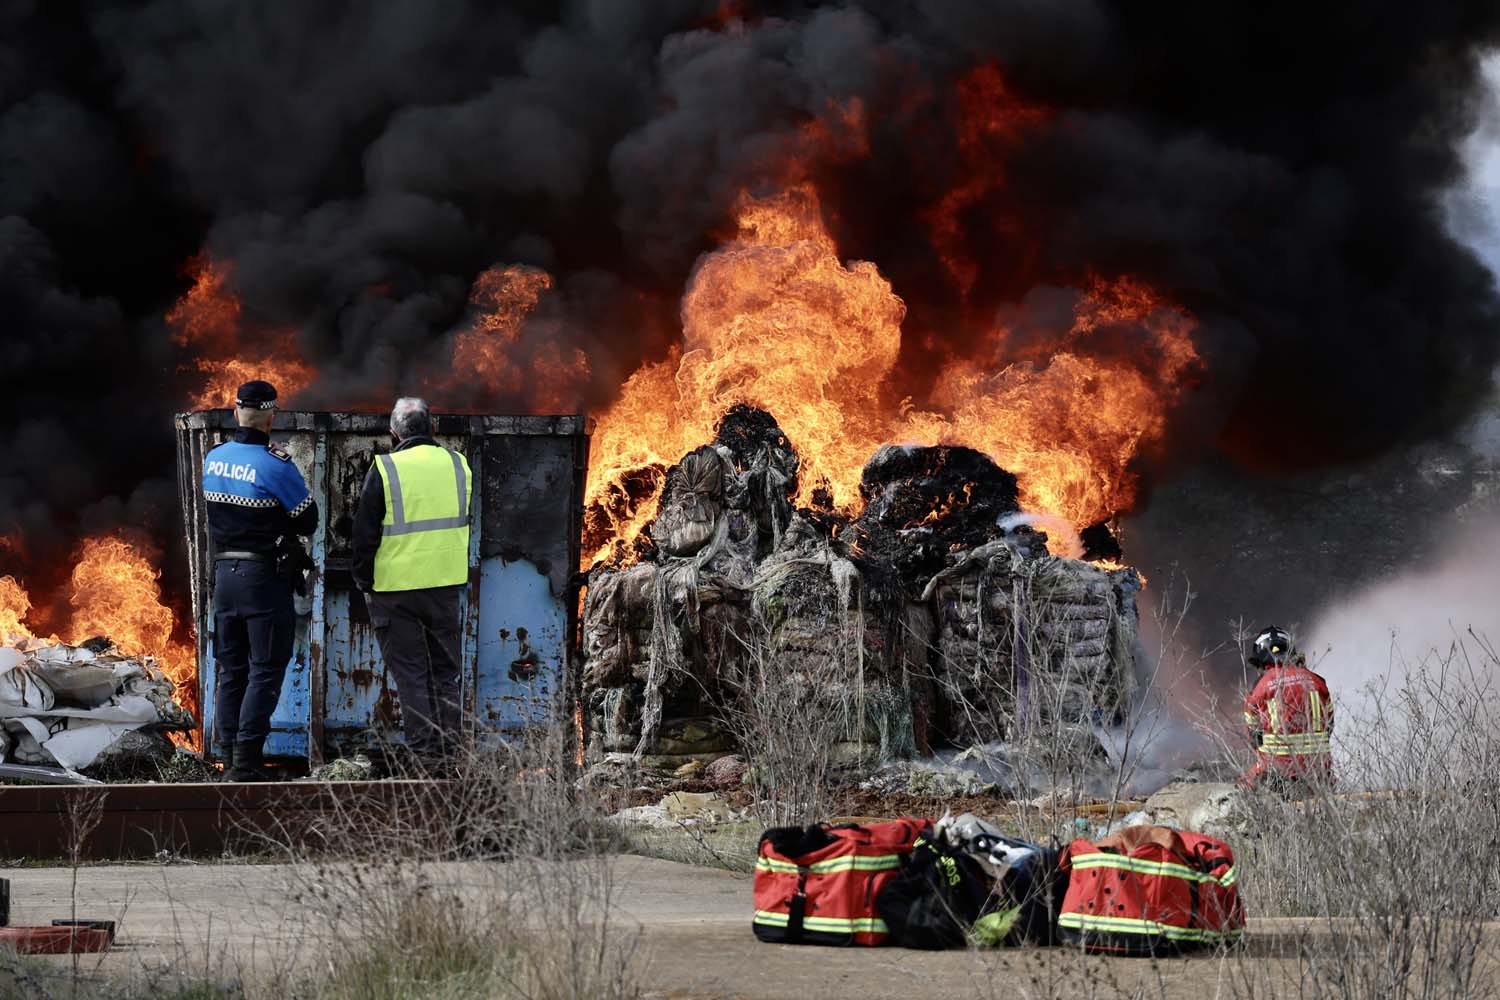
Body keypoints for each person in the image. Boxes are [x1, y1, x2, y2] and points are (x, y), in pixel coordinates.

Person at [202, 379, 317, 781]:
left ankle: (229, 755)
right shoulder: (275, 464)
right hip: (261, 580)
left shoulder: (212, 458)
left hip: (224, 578)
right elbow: (308, 519)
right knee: (266, 667)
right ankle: (247, 761)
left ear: (236, 413)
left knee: (231, 669)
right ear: (271, 417)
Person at [352, 397, 473, 771]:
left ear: (393, 432)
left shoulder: (386, 468)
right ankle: (451, 755)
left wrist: (363, 579)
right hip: (444, 587)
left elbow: (364, 533)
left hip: (395, 591)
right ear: (433, 428)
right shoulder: (459, 464)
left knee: (411, 675)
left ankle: (424, 756)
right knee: (444, 673)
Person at [1240, 626, 1334, 792]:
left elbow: (1254, 736)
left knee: (1241, 789)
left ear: (1262, 660)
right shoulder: (1317, 681)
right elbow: (1330, 724)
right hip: (1320, 772)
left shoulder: (1259, 687)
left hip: (1276, 773)